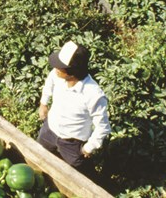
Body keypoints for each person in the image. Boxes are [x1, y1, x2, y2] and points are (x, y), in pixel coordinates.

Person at [37, 40, 111, 176]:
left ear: (72, 72)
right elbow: (49, 83)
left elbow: (103, 127)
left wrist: (89, 148)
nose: (55, 69)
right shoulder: (57, 75)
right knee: (40, 156)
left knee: (79, 173)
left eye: (60, 67)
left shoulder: (93, 95)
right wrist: (43, 103)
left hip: (71, 142)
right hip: (49, 130)